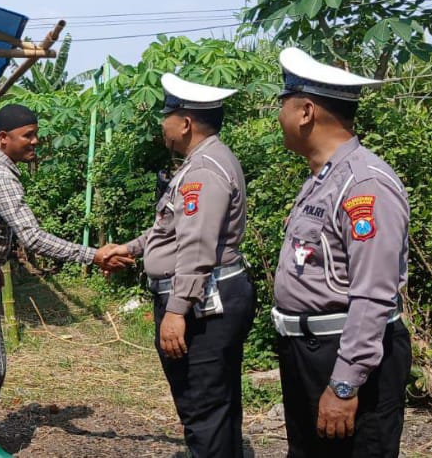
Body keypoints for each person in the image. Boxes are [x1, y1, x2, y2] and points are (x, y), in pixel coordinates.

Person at [0, 104, 129, 458]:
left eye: (36, 134)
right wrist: (93, 255)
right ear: (4, 138)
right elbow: (33, 238)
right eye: (28, 135)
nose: (35, 141)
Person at [100, 73, 256, 457]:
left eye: (165, 116)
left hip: (205, 303)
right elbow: (172, 229)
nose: (161, 125)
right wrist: (133, 249)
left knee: (201, 404)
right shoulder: (201, 162)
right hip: (207, 296)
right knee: (215, 404)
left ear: (185, 123)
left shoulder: (204, 171)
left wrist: (176, 310)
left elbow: (197, 247)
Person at [270, 47, 411, 457]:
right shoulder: (322, 179)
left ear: (306, 112)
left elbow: (373, 294)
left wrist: (345, 383)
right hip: (309, 354)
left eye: (283, 105)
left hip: (343, 356)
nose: (278, 117)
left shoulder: (365, 185)